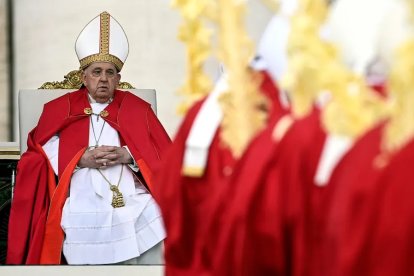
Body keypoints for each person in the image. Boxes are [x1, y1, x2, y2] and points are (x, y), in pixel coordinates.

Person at [7, 11, 171, 265]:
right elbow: (38, 149)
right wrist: (79, 159)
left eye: (110, 72)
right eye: (96, 72)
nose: (103, 79)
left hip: (128, 186)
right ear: (84, 77)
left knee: (153, 211)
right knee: (81, 217)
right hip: (79, 186)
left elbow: (164, 153)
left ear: (119, 78)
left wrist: (129, 154)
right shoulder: (58, 108)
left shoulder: (138, 109)